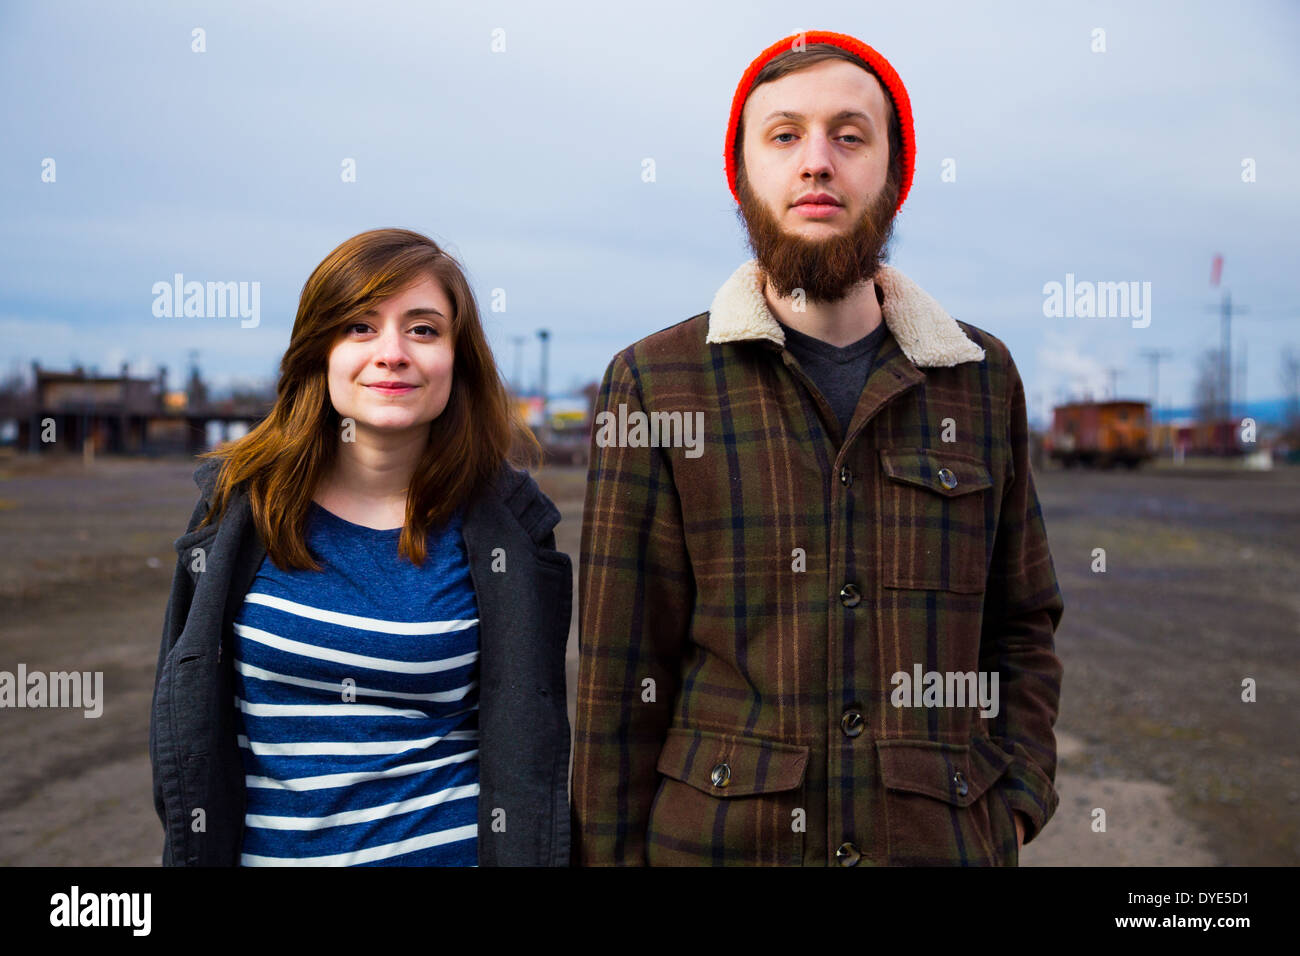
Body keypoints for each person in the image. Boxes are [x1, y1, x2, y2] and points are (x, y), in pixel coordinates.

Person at [572, 31, 1064, 866]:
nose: (816, 162)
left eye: (848, 134)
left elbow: (1020, 627)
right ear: (743, 176)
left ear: (895, 175)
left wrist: (1015, 801)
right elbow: (620, 672)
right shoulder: (656, 383)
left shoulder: (980, 377)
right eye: (784, 135)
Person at [150, 228, 573, 866]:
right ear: (320, 349)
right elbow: (180, 732)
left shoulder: (508, 531)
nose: (393, 353)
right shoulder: (239, 509)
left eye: (424, 329)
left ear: (459, 357)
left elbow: (528, 747)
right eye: (360, 326)